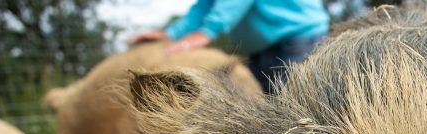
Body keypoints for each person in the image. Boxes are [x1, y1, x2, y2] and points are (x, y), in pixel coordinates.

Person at [127, 0, 330, 93]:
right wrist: (170, 34)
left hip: (299, 38)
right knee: (266, 106)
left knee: (294, 108)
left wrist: (208, 31)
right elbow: (204, 6)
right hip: (261, 48)